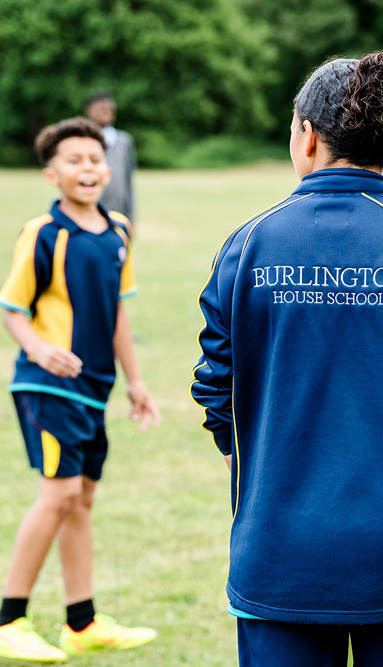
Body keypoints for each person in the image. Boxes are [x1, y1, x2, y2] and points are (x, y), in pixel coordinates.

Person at [190, 54, 383, 667]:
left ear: (307, 135)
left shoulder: (246, 246)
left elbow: (217, 396)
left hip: (279, 556)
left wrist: (271, 487)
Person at [0, 118, 160, 663]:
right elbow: (12, 308)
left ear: (107, 169)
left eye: (95, 159)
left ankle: (81, 623)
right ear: (52, 174)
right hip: (48, 385)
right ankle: (9, 619)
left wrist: (136, 382)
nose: (87, 168)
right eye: (74, 160)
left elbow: (118, 312)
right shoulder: (43, 233)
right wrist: (40, 348)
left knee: (82, 498)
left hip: (95, 389)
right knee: (60, 494)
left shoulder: (118, 231)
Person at [85, 92, 138, 222]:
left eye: (110, 109)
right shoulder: (83, 139)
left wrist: (131, 215)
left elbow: (128, 180)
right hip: (90, 211)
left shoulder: (124, 140)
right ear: (89, 111)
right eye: (102, 109)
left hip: (118, 212)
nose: (106, 112)